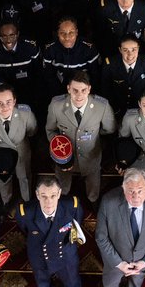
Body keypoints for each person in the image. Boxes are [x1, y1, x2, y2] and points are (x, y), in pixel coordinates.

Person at [15, 175, 84, 287]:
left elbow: (77, 223)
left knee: (71, 277)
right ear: (37, 195)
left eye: (53, 195)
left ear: (59, 194)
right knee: (41, 277)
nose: (49, 201)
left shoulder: (72, 205)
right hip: (39, 252)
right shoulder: (25, 212)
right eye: (44, 196)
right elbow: (24, 229)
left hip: (64, 250)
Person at [45, 71, 117, 202]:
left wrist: (94, 136)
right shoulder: (56, 105)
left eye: (83, 90)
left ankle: (93, 204)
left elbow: (109, 129)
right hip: (64, 159)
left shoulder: (102, 106)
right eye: (75, 90)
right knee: (62, 191)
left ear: (89, 89)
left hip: (91, 158)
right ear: (68, 88)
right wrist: (61, 154)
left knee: (93, 192)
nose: (79, 95)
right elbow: (50, 130)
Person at [0, 84, 37, 204]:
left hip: (21, 153)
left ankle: (27, 203)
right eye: (0, 103)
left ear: (14, 101)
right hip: (0, 156)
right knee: (4, 181)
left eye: (9, 102)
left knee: (24, 178)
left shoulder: (25, 114)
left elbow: (32, 131)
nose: (5, 107)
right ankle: (7, 204)